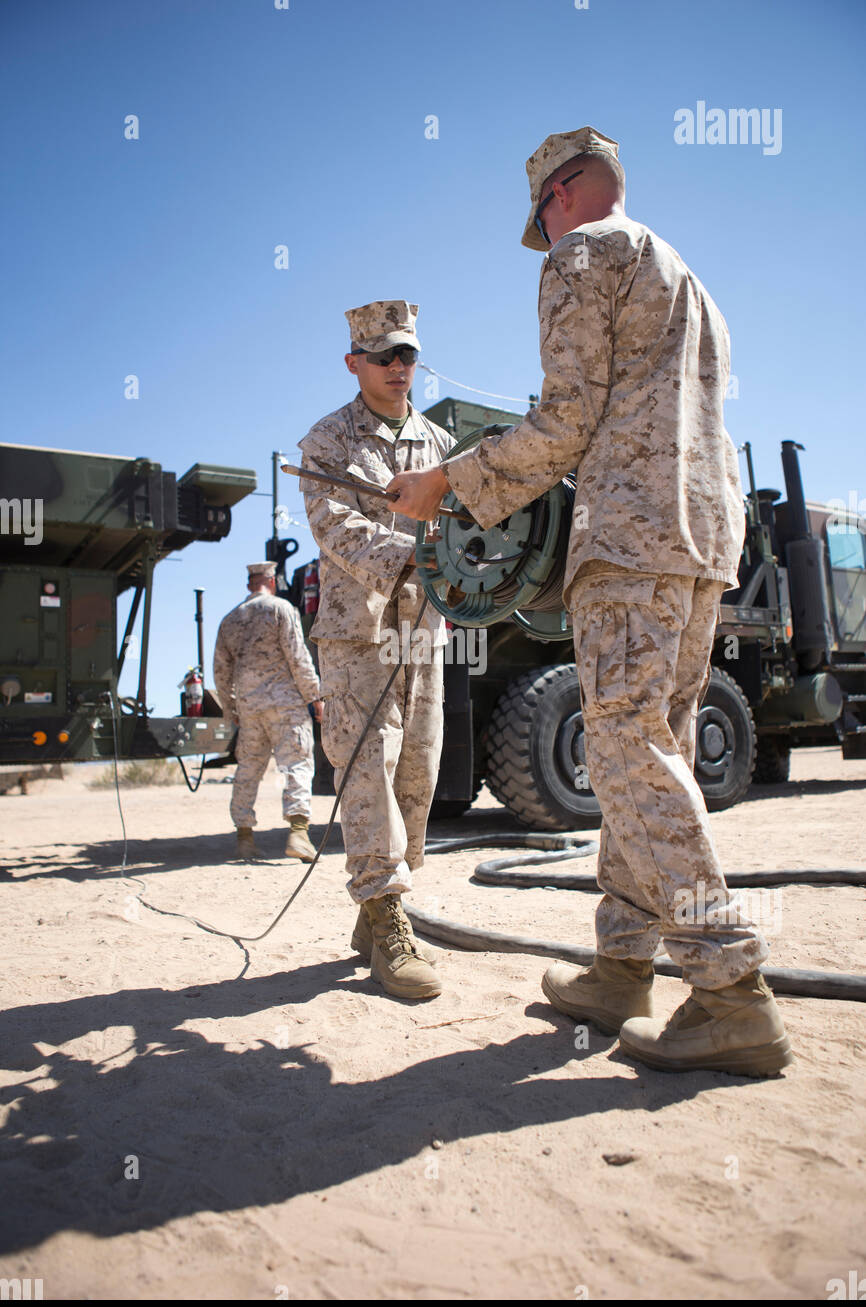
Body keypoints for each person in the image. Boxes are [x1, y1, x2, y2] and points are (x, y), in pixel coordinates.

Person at [385, 128, 793, 1076]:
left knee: (626, 744)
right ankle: (622, 965)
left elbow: (567, 418)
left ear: (561, 192)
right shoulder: (687, 276)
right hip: (699, 536)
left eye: (541, 213)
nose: (543, 229)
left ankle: (730, 990)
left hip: (630, 534)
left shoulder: (583, 252)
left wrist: (445, 484)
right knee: (650, 746)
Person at [297, 300, 455, 1001]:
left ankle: (381, 899)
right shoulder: (326, 441)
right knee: (367, 765)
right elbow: (336, 528)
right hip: (356, 631)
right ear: (353, 361)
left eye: (408, 355)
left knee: (418, 772)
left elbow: (467, 519)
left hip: (424, 630)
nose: (398, 368)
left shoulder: (441, 443)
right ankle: (387, 912)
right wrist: (420, 556)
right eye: (385, 355)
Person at [214, 561, 323, 862]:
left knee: (248, 770)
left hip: (249, 709)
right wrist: (315, 696)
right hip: (285, 704)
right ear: (272, 582)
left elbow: (221, 671)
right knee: (297, 764)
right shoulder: (281, 609)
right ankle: (299, 835)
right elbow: (298, 656)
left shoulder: (229, 620)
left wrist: (230, 707)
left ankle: (244, 838)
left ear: (250, 584)